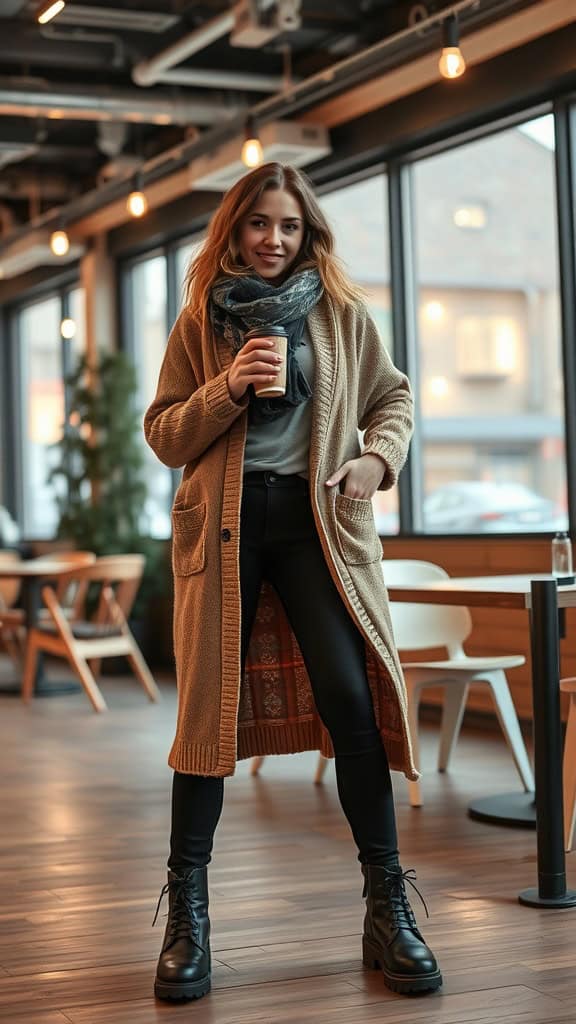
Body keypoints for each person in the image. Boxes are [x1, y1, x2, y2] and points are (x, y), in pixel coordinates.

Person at [144, 161, 442, 1003]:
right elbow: (165, 432)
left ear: (307, 234)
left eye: (289, 227)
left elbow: (395, 399)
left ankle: (389, 909)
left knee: (351, 702)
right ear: (234, 231)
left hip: (319, 528)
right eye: (258, 225)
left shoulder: (341, 314)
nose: (273, 240)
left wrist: (374, 461)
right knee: (205, 719)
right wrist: (227, 388)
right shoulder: (201, 321)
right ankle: (187, 921)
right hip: (227, 529)